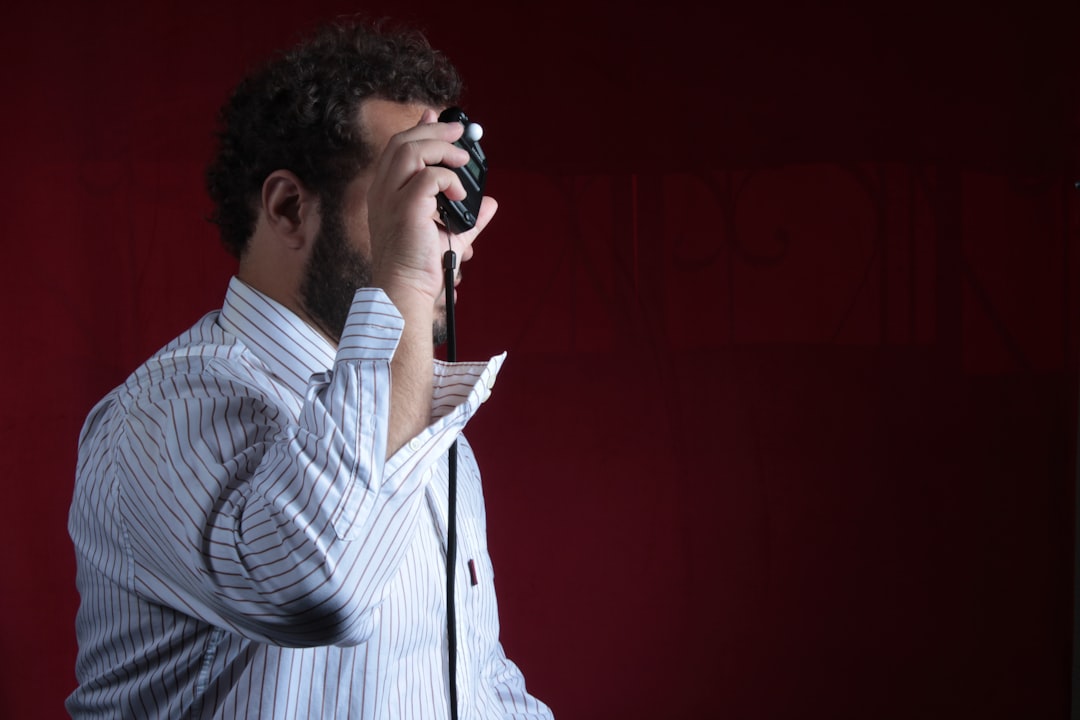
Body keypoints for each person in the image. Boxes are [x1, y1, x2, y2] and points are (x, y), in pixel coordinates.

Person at [67, 19, 553, 720]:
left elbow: (473, 683)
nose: (440, 229)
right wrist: (407, 281)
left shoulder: (418, 412)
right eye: (404, 194)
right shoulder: (159, 416)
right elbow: (323, 591)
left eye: (443, 193)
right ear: (290, 208)